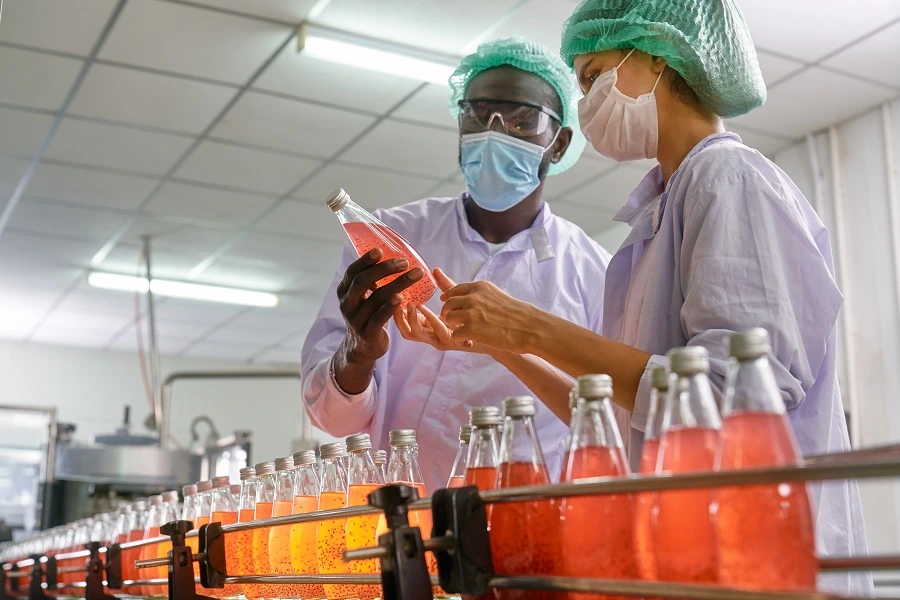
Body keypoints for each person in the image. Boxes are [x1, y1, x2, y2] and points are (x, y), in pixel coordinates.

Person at [399, 1, 871, 595]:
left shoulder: (730, 179)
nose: (589, 101)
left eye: (594, 75)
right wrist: (498, 343)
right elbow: (627, 414)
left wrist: (528, 327)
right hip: (686, 561)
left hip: (759, 563)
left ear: (656, 51)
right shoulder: (659, 211)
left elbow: (730, 398)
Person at [300, 37, 611, 491]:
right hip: (399, 517)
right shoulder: (389, 239)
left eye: (522, 120)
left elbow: (609, 419)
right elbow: (332, 418)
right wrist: (357, 353)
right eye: (477, 115)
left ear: (559, 143)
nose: (494, 131)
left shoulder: (592, 273)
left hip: (527, 519)